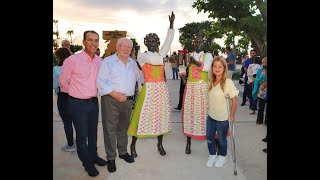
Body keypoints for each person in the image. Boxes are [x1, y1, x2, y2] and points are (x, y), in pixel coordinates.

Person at [58, 30, 107, 177]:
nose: (93, 43)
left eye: (96, 40)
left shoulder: (99, 61)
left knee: (93, 133)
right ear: (84, 42)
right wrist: (77, 93)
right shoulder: (72, 60)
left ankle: (93, 156)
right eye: (90, 40)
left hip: (93, 102)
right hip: (77, 104)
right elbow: (63, 82)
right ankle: (87, 163)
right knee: (81, 135)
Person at [128, 11, 175, 158]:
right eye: (150, 41)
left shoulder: (159, 54)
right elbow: (156, 60)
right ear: (146, 43)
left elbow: (168, 42)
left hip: (161, 90)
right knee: (140, 116)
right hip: (148, 90)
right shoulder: (143, 56)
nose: (152, 43)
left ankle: (160, 144)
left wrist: (171, 25)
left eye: (155, 41)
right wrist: (163, 56)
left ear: (158, 43)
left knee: (160, 117)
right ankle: (133, 145)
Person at [96, 37, 144, 173]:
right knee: (110, 129)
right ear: (117, 47)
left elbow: (140, 78)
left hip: (128, 101)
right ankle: (111, 158)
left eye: (129, 47)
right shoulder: (108, 61)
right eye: (124, 46)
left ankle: (123, 152)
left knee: (123, 128)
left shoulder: (133, 63)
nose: (126, 49)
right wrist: (115, 94)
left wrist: (150, 72)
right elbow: (100, 81)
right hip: (111, 99)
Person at [179, 33, 213, 154]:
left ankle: (210, 142)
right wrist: (183, 77)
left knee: (205, 115)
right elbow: (181, 66)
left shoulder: (207, 55)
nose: (197, 44)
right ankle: (188, 143)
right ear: (192, 43)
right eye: (195, 42)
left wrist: (195, 62)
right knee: (190, 114)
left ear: (203, 43)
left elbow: (208, 68)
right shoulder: (190, 55)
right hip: (191, 88)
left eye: (199, 42)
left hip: (203, 88)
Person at [205, 56, 239, 168]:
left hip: (222, 118)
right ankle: (212, 155)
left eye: (220, 66)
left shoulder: (227, 82)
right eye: (215, 66)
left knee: (221, 139)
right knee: (210, 138)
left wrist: (232, 115)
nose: (217, 68)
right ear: (212, 68)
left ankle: (222, 156)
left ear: (224, 68)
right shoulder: (211, 81)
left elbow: (234, 100)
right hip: (211, 116)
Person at [53, 47, 75, 152]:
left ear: (59, 57)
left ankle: (71, 144)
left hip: (63, 97)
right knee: (79, 121)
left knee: (67, 122)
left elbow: (55, 85)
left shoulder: (56, 69)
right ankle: (82, 142)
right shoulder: (75, 67)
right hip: (76, 96)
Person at [252, 57, 267, 125]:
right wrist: (261, 83)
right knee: (261, 107)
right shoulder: (260, 70)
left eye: (265, 62)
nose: (264, 64)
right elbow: (257, 79)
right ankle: (259, 120)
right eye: (263, 62)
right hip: (261, 92)